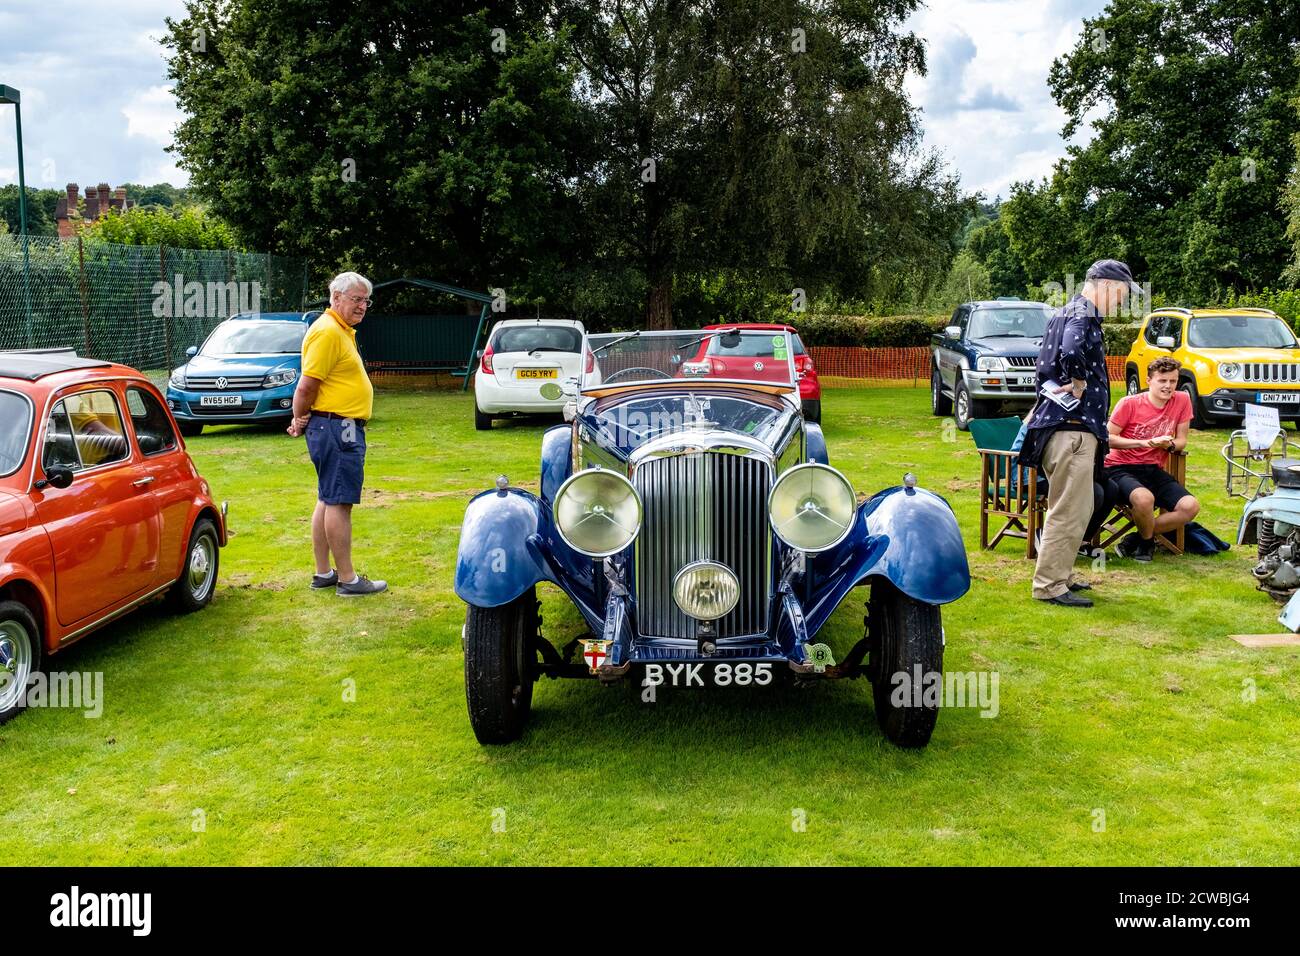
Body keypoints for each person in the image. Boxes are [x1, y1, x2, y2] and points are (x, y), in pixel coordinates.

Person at [1018, 259, 1142, 608]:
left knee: (1080, 505)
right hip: (1071, 431)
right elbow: (1071, 351)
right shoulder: (1083, 314)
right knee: (1068, 509)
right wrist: (1079, 381)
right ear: (1106, 285)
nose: (1120, 301)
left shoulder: (1067, 311)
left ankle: (1062, 575)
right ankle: (1049, 585)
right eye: (1120, 294)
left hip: (1065, 429)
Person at [287, 272, 387, 597]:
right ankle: (348, 579)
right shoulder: (328, 332)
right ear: (335, 298)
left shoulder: (340, 330)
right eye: (355, 299)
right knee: (340, 502)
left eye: (365, 300)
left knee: (327, 498)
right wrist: (298, 418)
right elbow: (306, 385)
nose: (361, 306)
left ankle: (323, 573)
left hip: (334, 425)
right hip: (337, 426)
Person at [1104, 355, 1198, 562]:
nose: (1168, 386)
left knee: (1190, 506)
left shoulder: (1182, 400)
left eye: (1173, 381)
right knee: (1144, 499)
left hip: (1153, 468)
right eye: (1162, 381)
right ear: (1149, 381)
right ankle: (1147, 544)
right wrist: (1143, 443)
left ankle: (1136, 538)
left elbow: (1182, 441)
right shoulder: (1129, 403)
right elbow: (1107, 439)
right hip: (1119, 467)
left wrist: (1169, 445)